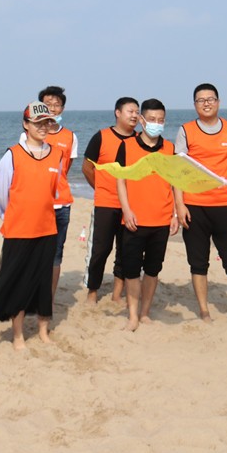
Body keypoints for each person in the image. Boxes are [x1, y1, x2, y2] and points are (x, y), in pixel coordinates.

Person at [0, 102, 61, 349]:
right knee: (18, 281)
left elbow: (52, 190)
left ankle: (43, 330)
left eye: (46, 122)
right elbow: (2, 195)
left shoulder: (56, 154)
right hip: (18, 230)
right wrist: (14, 218)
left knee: (43, 282)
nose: (43, 127)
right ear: (26, 124)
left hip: (47, 229)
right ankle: (17, 335)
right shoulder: (12, 155)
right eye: (37, 123)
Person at [175, 84, 227, 323]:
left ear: (218, 102)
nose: (206, 103)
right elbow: (178, 171)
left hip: (226, 205)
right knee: (198, 263)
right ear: (195, 105)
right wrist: (179, 205)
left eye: (210, 99)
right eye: (201, 100)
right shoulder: (185, 131)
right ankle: (204, 310)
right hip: (194, 206)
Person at [115, 99, 179, 331]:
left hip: (161, 219)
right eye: (152, 119)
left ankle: (144, 313)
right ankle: (132, 315)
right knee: (131, 271)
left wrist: (175, 213)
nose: (156, 123)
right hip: (134, 219)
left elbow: (174, 181)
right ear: (142, 120)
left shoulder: (169, 148)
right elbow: (120, 180)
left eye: (160, 120)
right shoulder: (126, 146)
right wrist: (126, 209)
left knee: (153, 269)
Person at [20, 85, 78, 303]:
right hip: (35, 204)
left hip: (61, 204)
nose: (53, 109)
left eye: (57, 105)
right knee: (32, 251)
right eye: (48, 105)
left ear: (63, 108)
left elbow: (65, 169)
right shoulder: (28, 135)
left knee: (55, 255)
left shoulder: (70, 137)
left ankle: (48, 300)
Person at [81, 97, 140, 305]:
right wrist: (102, 189)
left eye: (137, 112)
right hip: (106, 203)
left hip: (131, 206)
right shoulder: (101, 137)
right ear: (118, 112)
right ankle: (92, 291)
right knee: (100, 249)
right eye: (130, 111)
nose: (134, 115)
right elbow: (87, 168)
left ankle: (117, 293)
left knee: (125, 251)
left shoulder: (140, 139)